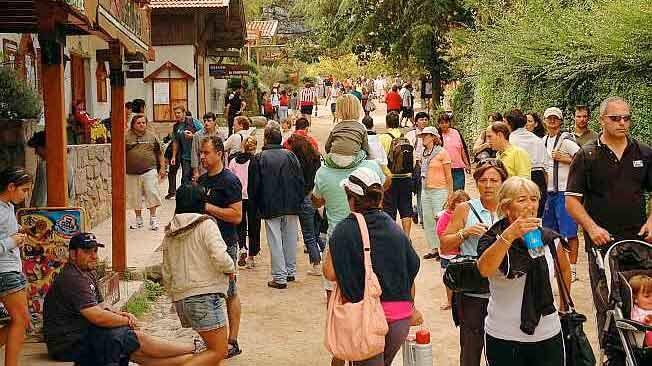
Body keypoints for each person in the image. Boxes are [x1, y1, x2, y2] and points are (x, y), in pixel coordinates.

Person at [565, 96, 652, 364]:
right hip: (603, 244)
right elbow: (571, 201)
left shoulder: (644, 152)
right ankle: (611, 354)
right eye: (615, 118)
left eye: (626, 118)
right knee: (608, 302)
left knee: (644, 299)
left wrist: (651, 221)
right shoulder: (587, 155)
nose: (622, 123)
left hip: (640, 243)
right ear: (602, 120)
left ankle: (644, 350)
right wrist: (591, 228)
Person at [43, 232, 201, 365]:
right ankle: (195, 348)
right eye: (87, 251)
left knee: (134, 352)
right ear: (72, 254)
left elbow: (102, 305)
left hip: (84, 335)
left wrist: (123, 315)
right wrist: (127, 321)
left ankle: (196, 359)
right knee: (135, 338)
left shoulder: (87, 272)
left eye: (95, 251)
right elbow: (97, 316)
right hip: (68, 344)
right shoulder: (72, 278)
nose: (93, 256)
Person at [323, 167, 420, 366]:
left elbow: (330, 273)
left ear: (350, 199)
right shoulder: (395, 229)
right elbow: (412, 269)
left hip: (365, 317)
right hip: (400, 318)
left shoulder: (344, 230)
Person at [476, 176, 571, 366]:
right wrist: (509, 235)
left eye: (534, 199)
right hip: (504, 336)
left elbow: (565, 270)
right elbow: (484, 269)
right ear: (506, 207)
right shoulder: (491, 239)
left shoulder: (549, 238)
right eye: (521, 200)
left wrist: (563, 307)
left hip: (548, 333)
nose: (530, 205)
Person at [440, 159, 507, 366]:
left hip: (505, 290)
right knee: (471, 348)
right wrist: (465, 232)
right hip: (473, 291)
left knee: (504, 350)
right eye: (483, 180)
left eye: (494, 180)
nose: (488, 185)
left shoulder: (511, 209)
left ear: (503, 182)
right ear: (476, 182)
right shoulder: (465, 209)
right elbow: (444, 244)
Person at [161, 183, 235, 366]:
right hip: (204, 296)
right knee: (219, 350)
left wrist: (174, 295)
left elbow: (167, 270)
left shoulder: (170, 232)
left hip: (182, 298)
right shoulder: (206, 225)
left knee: (209, 351)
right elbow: (219, 255)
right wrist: (230, 268)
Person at [197, 136, 244, 359]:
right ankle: (212, 340)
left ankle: (232, 340)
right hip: (204, 247)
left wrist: (208, 207)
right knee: (207, 292)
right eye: (201, 153)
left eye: (206, 153)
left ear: (219, 153)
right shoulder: (201, 180)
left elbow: (236, 215)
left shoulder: (230, 181)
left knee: (230, 293)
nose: (202, 157)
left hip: (226, 244)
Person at [248, 126, 305, 289]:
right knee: (290, 237)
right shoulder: (291, 156)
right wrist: (299, 199)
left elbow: (254, 186)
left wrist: (255, 206)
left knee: (275, 240)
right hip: (292, 203)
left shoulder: (259, 158)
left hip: (270, 204)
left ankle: (280, 277)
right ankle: (289, 271)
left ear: (266, 139)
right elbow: (300, 180)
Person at [541, 107, 581, 282]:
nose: (552, 121)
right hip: (550, 192)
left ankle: (571, 268)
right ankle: (555, 264)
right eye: (549, 118)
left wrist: (564, 159)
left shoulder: (566, 140)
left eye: (555, 119)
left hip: (565, 191)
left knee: (569, 231)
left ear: (560, 121)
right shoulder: (543, 140)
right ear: (544, 120)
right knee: (550, 231)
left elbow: (582, 159)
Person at [0, 168, 32, 366]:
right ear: (11, 187)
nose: (26, 194)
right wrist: (11, 242)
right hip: (5, 272)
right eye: (24, 190)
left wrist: (17, 235)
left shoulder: (8, 207)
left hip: (12, 269)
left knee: (18, 321)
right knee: (21, 320)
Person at [285, 132, 325, 275]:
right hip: (316, 195)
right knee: (315, 231)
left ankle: (316, 263)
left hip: (304, 198)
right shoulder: (316, 158)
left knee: (308, 234)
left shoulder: (297, 163)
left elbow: (297, 182)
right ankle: (326, 253)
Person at [125, 115, 165, 231]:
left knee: (152, 192)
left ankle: (153, 219)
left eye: (143, 122)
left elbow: (160, 152)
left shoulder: (152, 136)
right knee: (135, 196)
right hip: (132, 172)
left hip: (149, 170)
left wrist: (162, 168)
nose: (142, 125)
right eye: (138, 123)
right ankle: (138, 219)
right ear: (133, 124)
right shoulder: (126, 137)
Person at [507, 108, 548, 217]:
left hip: (520, 180)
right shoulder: (538, 140)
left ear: (510, 124)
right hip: (539, 179)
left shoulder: (510, 140)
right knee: (536, 217)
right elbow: (545, 169)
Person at [419, 126, 453, 260]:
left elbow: (448, 175)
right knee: (428, 220)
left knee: (440, 219)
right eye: (422, 136)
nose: (423, 138)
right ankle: (434, 248)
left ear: (433, 137)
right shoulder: (424, 153)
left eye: (426, 136)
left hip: (440, 190)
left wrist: (450, 193)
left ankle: (443, 248)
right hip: (426, 190)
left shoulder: (442, 153)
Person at [379, 112, 414, 235]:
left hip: (390, 178)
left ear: (387, 122)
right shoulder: (405, 137)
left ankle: (392, 236)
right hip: (406, 177)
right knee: (406, 208)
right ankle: (407, 236)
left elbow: (380, 159)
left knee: (389, 209)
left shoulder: (383, 138)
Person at [228, 137, 260, 268]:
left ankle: (242, 247)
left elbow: (229, 177)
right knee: (253, 226)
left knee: (240, 224)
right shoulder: (255, 161)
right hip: (252, 197)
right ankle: (251, 256)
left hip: (237, 197)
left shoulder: (234, 161)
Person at [436, 190, 470, 310]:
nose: (461, 205)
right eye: (458, 202)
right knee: (448, 280)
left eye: (464, 202)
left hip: (461, 252)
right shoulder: (445, 216)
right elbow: (441, 233)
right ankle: (450, 301)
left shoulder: (469, 216)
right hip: (448, 254)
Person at [26, 131, 75, 207]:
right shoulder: (67, 163)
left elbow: (40, 197)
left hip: (45, 215)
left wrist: (33, 212)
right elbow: (71, 195)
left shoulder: (45, 165)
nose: (36, 152)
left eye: (37, 148)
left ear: (45, 147)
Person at [324, 95, 371, 168]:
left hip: (333, 161)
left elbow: (327, 146)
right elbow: (365, 148)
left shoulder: (336, 127)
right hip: (352, 161)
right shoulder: (361, 127)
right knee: (363, 152)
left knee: (328, 157)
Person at [171, 106, 203, 187]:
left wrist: (193, 136)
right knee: (185, 178)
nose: (177, 115)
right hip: (185, 156)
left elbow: (203, 133)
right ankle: (186, 196)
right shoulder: (176, 126)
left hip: (197, 155)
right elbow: (175, 142)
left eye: (178, 113)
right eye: (175, 113)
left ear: (184, 113)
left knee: (198, 177)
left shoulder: (193, 121)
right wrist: (174, 156)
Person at [438, 113, 471, 191]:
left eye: (446, 122)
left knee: (459, 192)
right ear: (438, 124)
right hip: (443, 169)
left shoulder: (456, 132)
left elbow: (462, 149)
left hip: (458, 168)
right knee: (447, 193)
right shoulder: (437, 136)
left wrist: (467, 164)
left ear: (449, 123)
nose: (444, 125)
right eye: (442, 123)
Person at [406, 111, 428, 224]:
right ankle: (415, 212)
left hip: (427, 167)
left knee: (422, 193)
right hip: (415, 168)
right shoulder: (411, 135)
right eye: (421, 119)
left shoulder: (431, 134)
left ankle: (422, 217)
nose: (424, 121)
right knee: (417, 192)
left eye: (425, 119)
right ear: (416, 122)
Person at [191, 112, 226, 181]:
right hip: (203, 168)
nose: (206, 123)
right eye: (205, 121)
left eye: (209, 121)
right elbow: (194, 153)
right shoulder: (198, 135)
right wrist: (195, 171)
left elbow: (223, 153)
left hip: (217, 168)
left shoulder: (220, 135)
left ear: (214, 121)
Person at [629, 275, 652, 347]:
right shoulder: (636, 311)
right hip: (645, 336)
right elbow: (634, 322)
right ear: (635, 299)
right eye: (647, 296)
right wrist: (645, 321)